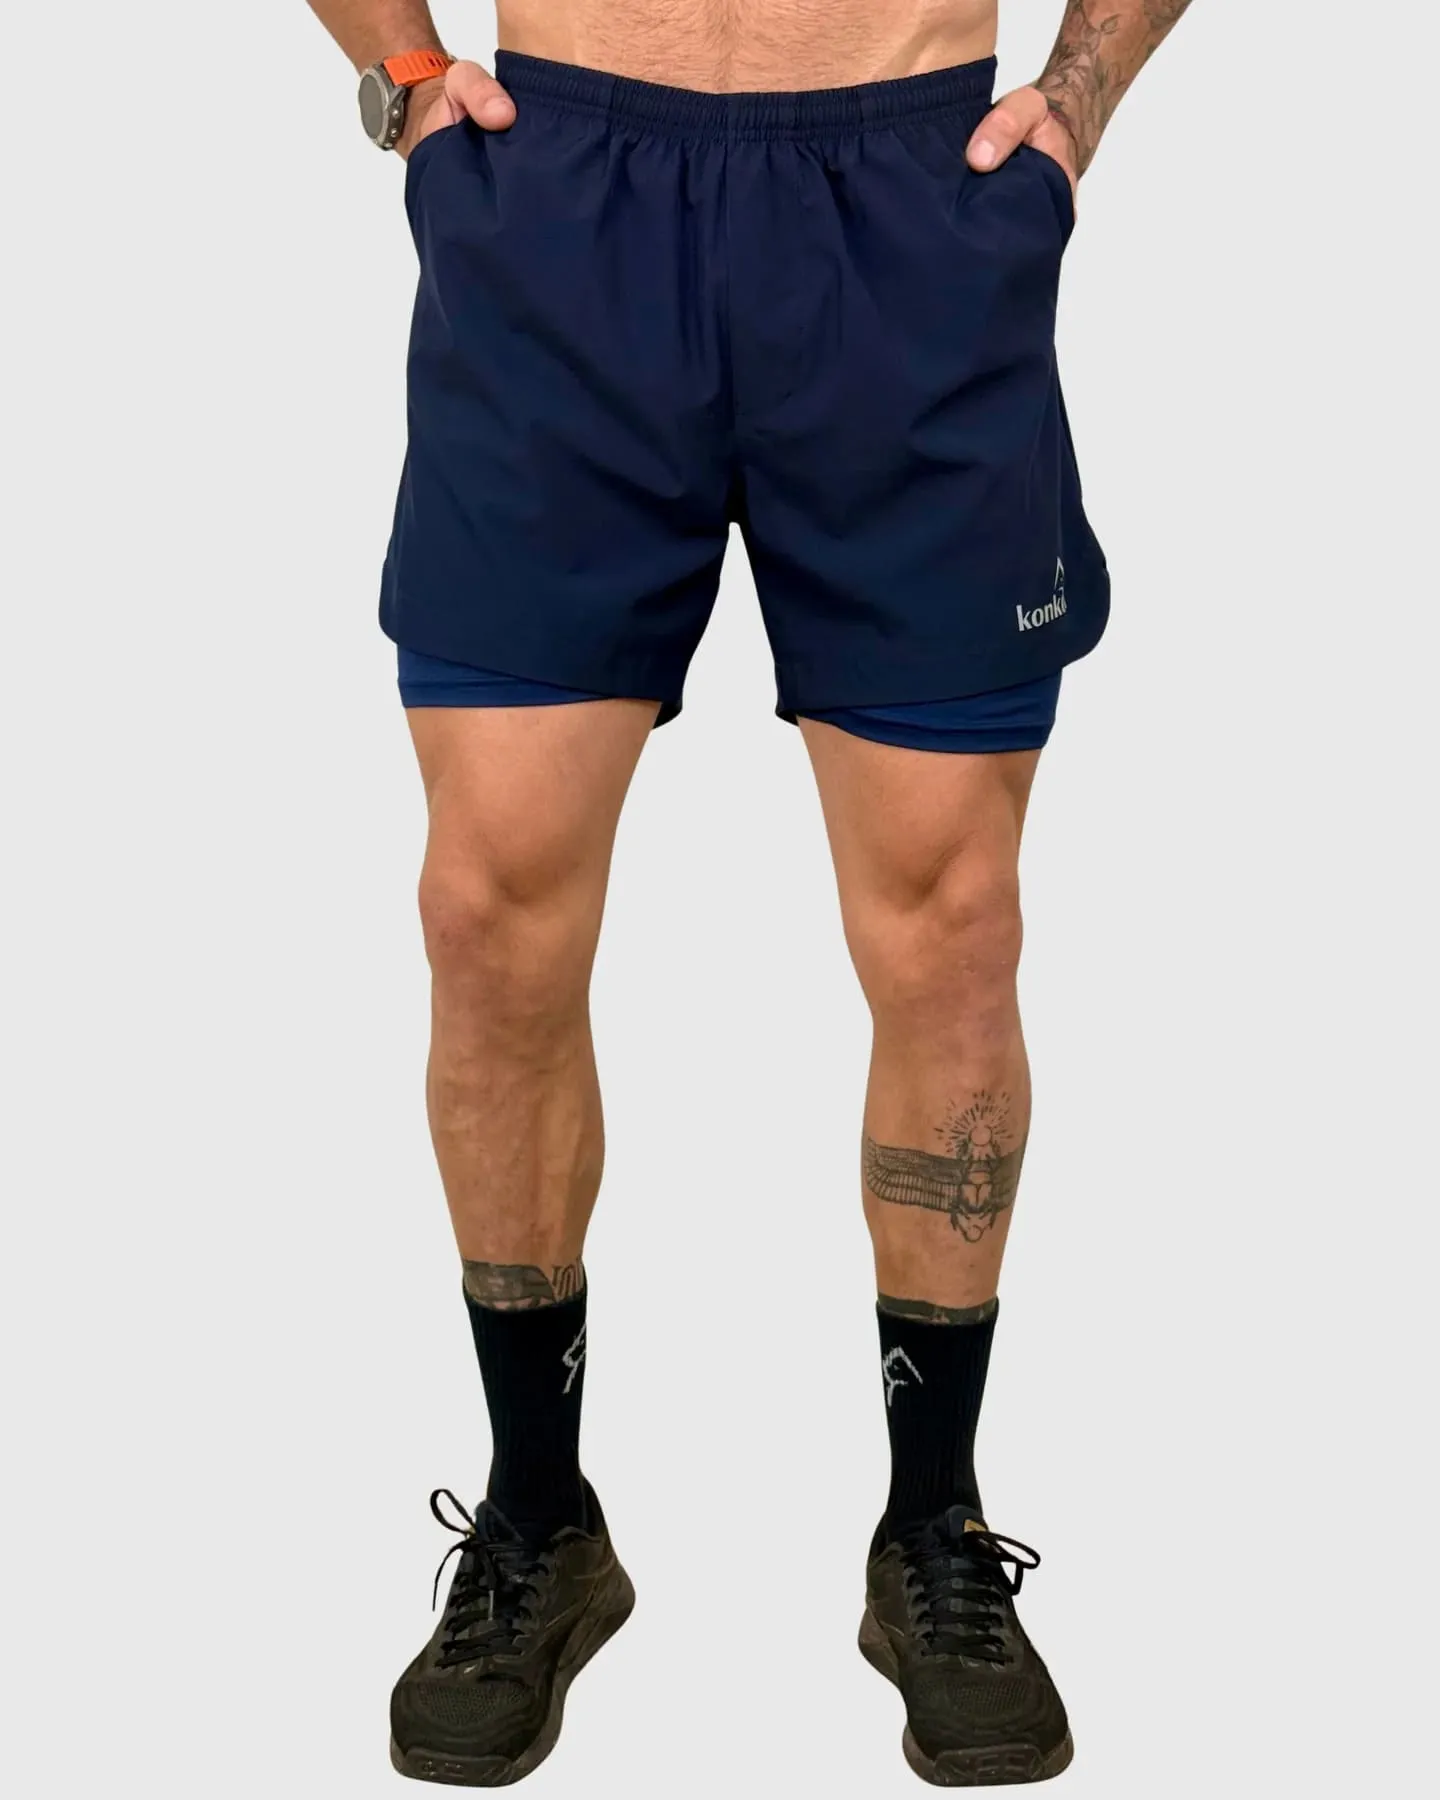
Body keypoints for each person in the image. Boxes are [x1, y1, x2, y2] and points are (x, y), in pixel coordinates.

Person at [308, 0, 1194, 1785]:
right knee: (488, 908)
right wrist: (403, 80)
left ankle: (933, 1525)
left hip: (910, 205)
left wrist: (1082, 94)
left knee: (953, 923)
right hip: (562, 210)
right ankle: (539, 1517)